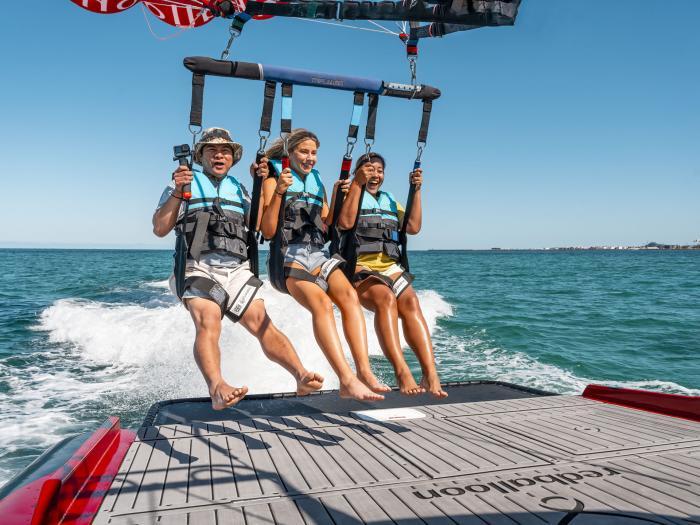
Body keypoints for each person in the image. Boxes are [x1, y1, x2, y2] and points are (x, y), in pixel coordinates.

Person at [153, 127, 324, 410]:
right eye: (212, 150)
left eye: (225, 152)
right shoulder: (183, 183)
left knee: (261, 321)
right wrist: (178, 192)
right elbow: (160, 228)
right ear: (200, 156)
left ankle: (301, 375)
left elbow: (259, 226)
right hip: (197, 267)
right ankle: (218, 387)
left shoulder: (241, 189)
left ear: (232, 158)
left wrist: (267, 183)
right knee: (209, 319)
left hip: (236, 269)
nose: (219, 155)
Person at [257, 129, 390, 401]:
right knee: (323, 305)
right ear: (290, 153)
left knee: (350, 298)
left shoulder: (317, 180)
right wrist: (281, 192)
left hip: (318, 254)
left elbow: (332, 226)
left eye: (314, 153)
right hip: (288, 256)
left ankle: (363, 372)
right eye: (304, 152)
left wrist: (343, 192)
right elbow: (268, 231)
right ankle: (346, 379)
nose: (310, 158)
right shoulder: (273, 180)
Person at [337, 152, 447, 398]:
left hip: (390, 267)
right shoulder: (348, 192)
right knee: (386, 299)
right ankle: (401, 371)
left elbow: (413, 227)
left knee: (410, 301)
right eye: (369, 170)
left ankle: (430, 372)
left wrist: (416, 190)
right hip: (359, 267)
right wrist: (356, 183)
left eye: (379, 170)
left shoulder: (389, 200)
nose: (375, 175)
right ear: (359, 172)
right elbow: (344, 223)